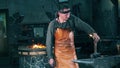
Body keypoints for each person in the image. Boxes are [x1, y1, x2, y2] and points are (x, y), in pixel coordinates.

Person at [46, 3, 100, 68]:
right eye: (65, 14)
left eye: (69, 13)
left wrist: (93, 32)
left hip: (71, 54)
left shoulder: (72, 19)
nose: (68, 16)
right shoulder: (53, 24)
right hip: (59, 55)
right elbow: (49, 42)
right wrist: (50, 57)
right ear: (59, 13)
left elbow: (83, 25)